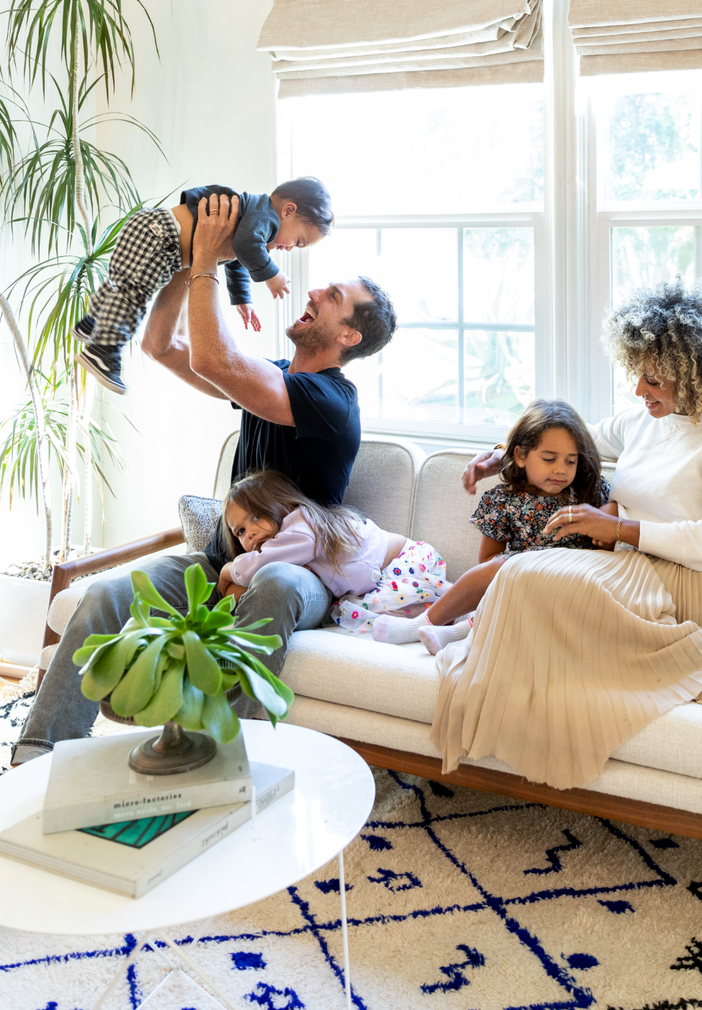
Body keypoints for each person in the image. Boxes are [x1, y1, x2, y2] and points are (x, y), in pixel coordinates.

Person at [11, 193, 396, 766]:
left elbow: (217, 361)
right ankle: (37, 755)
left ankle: (217, 759)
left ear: (349, 337)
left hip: (300, 574)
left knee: (279, 584)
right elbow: (163, 347)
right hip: (217, 563)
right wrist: (186, 256)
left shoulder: (332, 401)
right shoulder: (276, 377)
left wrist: (209, 262)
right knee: (102, 596)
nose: (313, 291)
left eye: (333, 297)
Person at [442, 277, 702, 791]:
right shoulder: (650, 419)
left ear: (695, 374)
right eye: (637, 374)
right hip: (636, 569)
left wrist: (619, 527)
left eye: (653, 379)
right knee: (522, 570)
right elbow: (575, 435)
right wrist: (503, 455)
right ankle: (458, 637)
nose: (639, 390)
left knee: (528, 575)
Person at [371, 399, 612, 655]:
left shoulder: (590, 493)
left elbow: (608, 543)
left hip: (571, 581)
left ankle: (436, 629)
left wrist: (604, 524)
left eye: (570, 461)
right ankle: (442, 629)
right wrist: (522, 568)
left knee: (512, 573)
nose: (561, 470)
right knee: (503, 569)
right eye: (549, 458)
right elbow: (487, 561)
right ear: (520, 456)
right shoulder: (504, 499)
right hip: (521, 584)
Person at [75, 176, 333, 394]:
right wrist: (272, 275)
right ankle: (103, 350)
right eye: (297, 241)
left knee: (122, 284)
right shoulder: (265, 216)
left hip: (150, 228)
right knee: (134, 295)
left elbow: (236, 259)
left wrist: (242, 298)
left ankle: (93, 322)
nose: (288, 249)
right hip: (160, 236)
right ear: (288, 210)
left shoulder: (252, 216)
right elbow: (246, 248)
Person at [218, 469, 449, 623]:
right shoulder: (291, 544)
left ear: (283, 504)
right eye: (240, 531)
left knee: (359, 615)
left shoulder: (301, 527)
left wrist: (229, 569)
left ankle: (448, 615)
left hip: (404, 563)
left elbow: (256, 567)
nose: (251, 533)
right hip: (379, 576)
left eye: (256, 516)